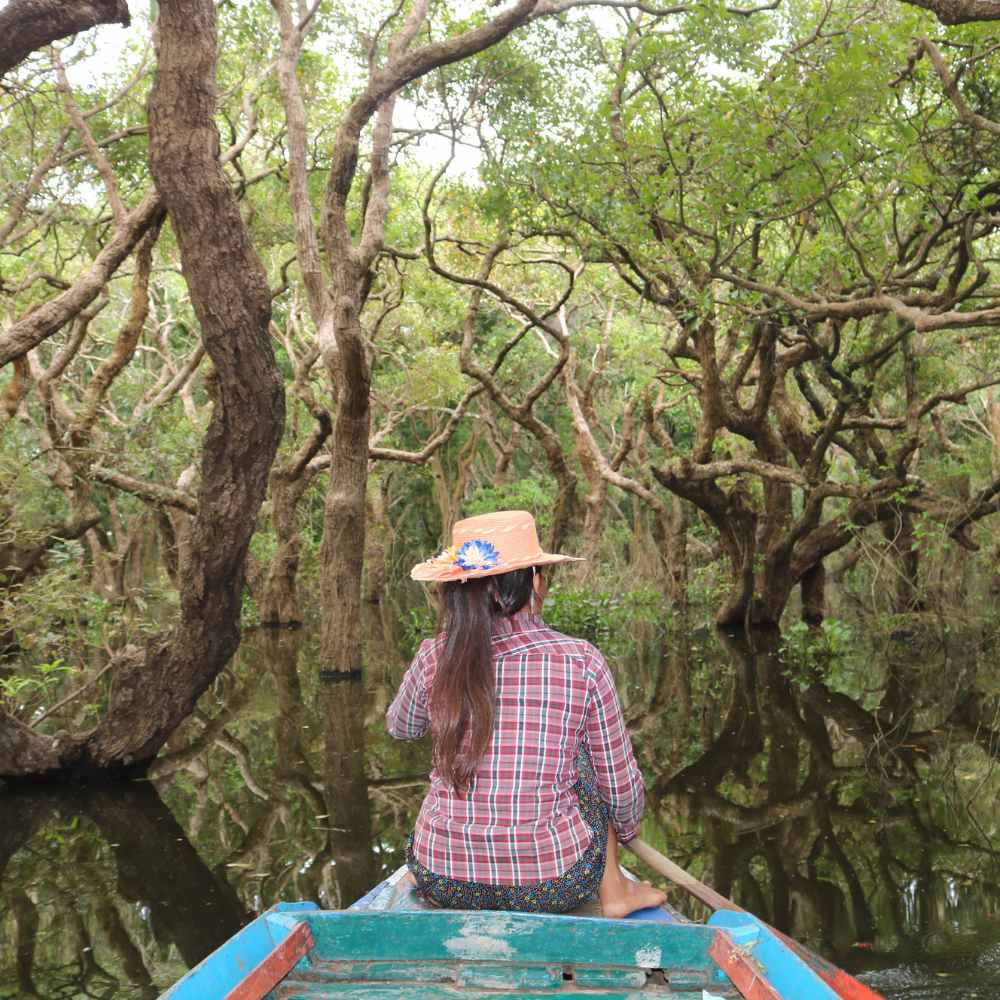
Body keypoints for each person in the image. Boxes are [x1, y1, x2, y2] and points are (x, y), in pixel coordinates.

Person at [386, 509, 666, 917]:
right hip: (550, 885)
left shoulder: (434, 654)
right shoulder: (580, 660)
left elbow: (401, 726)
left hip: (442, 879)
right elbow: (620, 787)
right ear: (534, 582)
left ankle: (456, 854)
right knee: (589, 764)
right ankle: (617, 891)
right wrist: (625, 831)